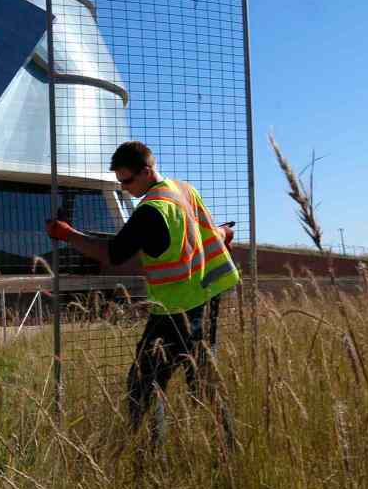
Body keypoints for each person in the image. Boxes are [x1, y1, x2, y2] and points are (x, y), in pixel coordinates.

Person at [45, 140, 239, 447]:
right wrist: (225, 234)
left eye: (128, 180)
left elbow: (112, 254)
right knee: (203, 386)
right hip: (207, 298)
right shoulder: (183, 190)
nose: (124, 188)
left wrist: (67, 234)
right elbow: (205, 232)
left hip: (175, 310)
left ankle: (149, 456)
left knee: (143, 386)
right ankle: (229, 452)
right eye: (119, 182)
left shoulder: (151, 210)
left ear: (147, 170)